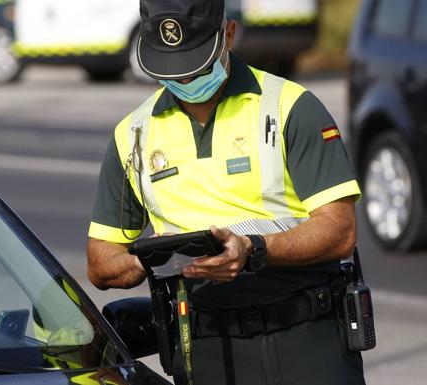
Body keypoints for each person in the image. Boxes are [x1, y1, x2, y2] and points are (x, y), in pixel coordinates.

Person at [86, 0, 365, 384]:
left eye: (195, 66)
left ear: (228, 36)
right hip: (204, 349)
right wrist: (150, 261)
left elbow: (340, 232)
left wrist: (253, 250)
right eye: (170, 71)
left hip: (307, 341)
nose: (184, 82)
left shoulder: (291, 108)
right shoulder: (132, 135)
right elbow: (100, 262)